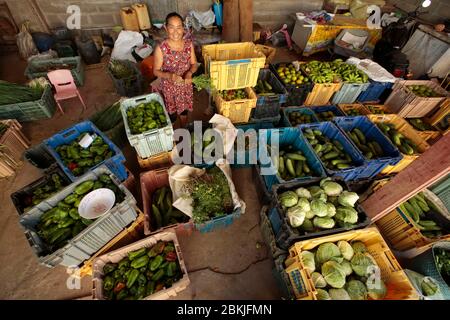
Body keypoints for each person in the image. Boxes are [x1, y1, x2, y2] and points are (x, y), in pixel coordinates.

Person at [153, 12, 198, 128]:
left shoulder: (189, 45)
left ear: (183, 28)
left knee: (184, 112)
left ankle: (184, 128)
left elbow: (194, 64)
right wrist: (170, 76)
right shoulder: (161, 48)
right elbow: (156, 71)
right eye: (171, 28)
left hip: (185, 86)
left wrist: (189, 73)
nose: (176, 32)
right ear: (165, 28)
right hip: (169, 88)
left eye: (179, 28)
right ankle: (172, 134)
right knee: (171, 114)